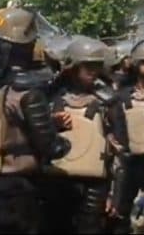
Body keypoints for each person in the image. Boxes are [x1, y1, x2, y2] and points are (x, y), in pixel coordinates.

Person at [0, 7, 70, 233]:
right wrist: (65, 143)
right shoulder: (27, 93)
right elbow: (50, 146)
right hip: (17, 185)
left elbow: (6, 122)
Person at [43, 36, 120, 233]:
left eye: (96, 66)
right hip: (58, 181)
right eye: (87, 66)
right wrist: (52, 124)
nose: (93, 71)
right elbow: (37, 138)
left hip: (96, 185)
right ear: (73, 67)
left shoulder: (108, 101)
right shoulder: (51, 97)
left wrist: (115, 193)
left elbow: (121, 150)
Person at [109, 39, 144, 234]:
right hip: (129, 161)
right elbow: (113, 126)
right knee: (120, 211)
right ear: (136, 64)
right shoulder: (122, 96)